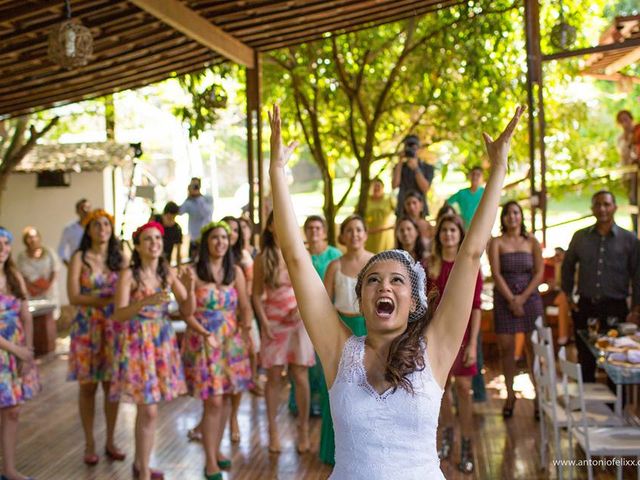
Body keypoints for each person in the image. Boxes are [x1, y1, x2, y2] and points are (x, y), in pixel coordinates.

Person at [267, 104, 524, 478]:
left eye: (396, 280)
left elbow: (470, 255)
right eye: (373, 279)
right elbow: (295, 257)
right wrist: (276, 171)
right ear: (361, 299)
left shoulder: (435, 349)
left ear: (415, 301)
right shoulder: (338, 350)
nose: (383, 285)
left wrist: (498, 168)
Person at [110, 221, 192, 480]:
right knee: (148, 409)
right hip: (138, 342)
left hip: (161, 342)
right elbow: (119, 314)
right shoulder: (129, 275)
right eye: (148, 239)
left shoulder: (167, 273)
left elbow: (188, 311)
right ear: (138, 245)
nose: (154, 243)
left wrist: (188, 287)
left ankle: (140, 463)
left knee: (150, 408)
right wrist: (145, 301)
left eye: (158, 238)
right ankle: (144, 470)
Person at [181, 221, 252, 480]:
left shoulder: (235, 271)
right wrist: (188, 287)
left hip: (230, 341)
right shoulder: (192, 272)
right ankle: (210, 460)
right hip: (203, 340)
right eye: (215, 238)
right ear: (206, 242)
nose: (220, 242)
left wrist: (245, 332)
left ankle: (217, 448)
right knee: (213, 399)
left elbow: (245, 306)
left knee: (224, 399)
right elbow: (184, 310)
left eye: (224, 237)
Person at [252, 213, 315, 454]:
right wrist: (264, 323)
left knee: (300, 376)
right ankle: (273, 431)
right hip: (273, 320)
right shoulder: (262, 258)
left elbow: (311, 288)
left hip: (298, 321)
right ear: (269, 227)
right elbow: (256, 294)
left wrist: (300, 310)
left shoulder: (300, 253)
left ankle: (303, 429)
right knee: (274, 377)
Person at [561, 190, 640, 383]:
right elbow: (567, 267)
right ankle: (587, 404)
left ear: (614, 207)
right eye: (598, 204)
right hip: (585, 306)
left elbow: (638, 276)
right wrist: (569, 297)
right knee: (585, 357)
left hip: (615, 307)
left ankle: (616, 410)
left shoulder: (629, 239)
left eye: (606, 204)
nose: (602, 209)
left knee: (615, 360)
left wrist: (636, 308)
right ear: (592, 209)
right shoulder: (580, 237)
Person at [67, 209, 126, 466]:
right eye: (96, 225)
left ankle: (111, 439)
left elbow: (130, 288)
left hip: (114, 327)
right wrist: (107, 300)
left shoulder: (121, 257)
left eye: (106, 224)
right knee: (88, 386)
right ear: (88, 230)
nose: (102, 228)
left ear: (111, 229)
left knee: (111, 386)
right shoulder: (80, 257)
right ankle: (89, 441)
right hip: (87, 327)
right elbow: (74, 297)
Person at [428, 214, 481, 473]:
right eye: (444, 230)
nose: (448, 234)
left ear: (460, 234)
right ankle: (448, 436)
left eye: (453, 230)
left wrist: (473, 344)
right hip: (438, 336)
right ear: (439, 235)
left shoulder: (469, 265)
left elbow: (477, 307)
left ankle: (468, 444)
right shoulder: (431, 265)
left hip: (464, 335)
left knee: (463, 390)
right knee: (441, 391)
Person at [320, 215, 374, 465]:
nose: (354, 234)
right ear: (342, 236)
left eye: (359, 230)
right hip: (340, 329)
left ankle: (364, 450)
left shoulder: (376, 262)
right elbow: (322, 305)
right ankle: (332, 451)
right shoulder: (334, 265)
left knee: (367, 389)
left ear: (365, 233)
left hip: (369, 328)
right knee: (337, 388)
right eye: (349, 230)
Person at [488, 200, 543, 419]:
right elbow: (496, 273)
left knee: (534, 351)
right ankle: (510, 396)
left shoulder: (532, 242)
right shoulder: (497, 242)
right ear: (503, 218)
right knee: (506, 351)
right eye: (508, 213)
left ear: (521, 217)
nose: (512, 217)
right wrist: (512, 299)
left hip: (530, 299)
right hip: (504, 299)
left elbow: (538, 273)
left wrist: (522, 299)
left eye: (516, 213)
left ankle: (539, 398)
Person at [0, 226, 39, 480]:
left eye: (5, 244)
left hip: (16, 352)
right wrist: (15, 349)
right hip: (6, 348)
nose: (1, 249)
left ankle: (9, 469)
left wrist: (29, 352)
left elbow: (26, 315)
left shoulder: (14, 275)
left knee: (13, 410)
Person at [221, 216, 256, 443]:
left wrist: (246, 325)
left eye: (235, 230)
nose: (232, 234)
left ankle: (233, 416)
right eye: (227, 230)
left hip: (241, 318)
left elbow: (249, 292)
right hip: (218, 324)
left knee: (238, 374)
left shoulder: (242, 258)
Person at [303, 215, 342, 417]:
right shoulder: (301, 255)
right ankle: (304, 404)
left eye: (318, 227)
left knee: (323, 361)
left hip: (328, 314)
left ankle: (326, 404)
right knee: (304, 364)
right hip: (301, 315)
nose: (314, 231)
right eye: (310, 228)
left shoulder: (335, 255)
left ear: (325, 232)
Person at [392, 134, 434, 217]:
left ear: (419, 149)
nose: (411, 150)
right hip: (402, 210)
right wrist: (400, 162)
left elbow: (425, 188)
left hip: (420, 212)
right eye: (408, 147)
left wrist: (416, 168)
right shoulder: (399, 167)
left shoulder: (427, 167)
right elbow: (394, 185)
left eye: (414, 147)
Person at [16, 227, 59, 303]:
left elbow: (55, 271)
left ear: (39, 237)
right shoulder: (21, 256)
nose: (33, 239)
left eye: (35, 236)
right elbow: (20, 275)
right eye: (29, 237)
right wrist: (31, 288)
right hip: (31, 293)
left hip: (49, 293)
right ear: (25, 240)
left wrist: (47, 288)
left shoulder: (49, 252)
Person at [616, 111, 640, 232]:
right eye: (622, 121)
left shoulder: (637, 131)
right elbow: (624, 155)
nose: (625, 123)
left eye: (626, 119)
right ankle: (636, 230)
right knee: (633, 203)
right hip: (629, 175)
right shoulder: (621, 138)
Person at [180, 178, 214, 261]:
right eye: (193, 185)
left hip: (206, 236)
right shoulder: (189, 202)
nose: (195, 187)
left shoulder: (207, 198)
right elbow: (180, 212)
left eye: (196, 185)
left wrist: (198, 197)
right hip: (194, 238)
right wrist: (188, 195)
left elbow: (207, 212)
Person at [364, 178, 396, 254]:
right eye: (374, 186)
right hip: (369, 237)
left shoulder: (389, 199)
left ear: (383, 187)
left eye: (378, 186)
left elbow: (399, 212)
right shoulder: (365, 201)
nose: (376, 188)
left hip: (385, 236)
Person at [58, 198, 91, 266]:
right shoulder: (69, 229)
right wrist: (69, 265)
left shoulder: (96, 228)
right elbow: (61, 250)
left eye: (88, 208)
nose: (85, 210)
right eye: (82, 208)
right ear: (77, 211)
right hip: (76, 266)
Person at [151, 201, 183, 266]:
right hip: (151, 257)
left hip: (165, 261)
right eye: (168, 216)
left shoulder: (176, 229)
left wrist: (179, 268)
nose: (170, 219)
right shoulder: (155, 219)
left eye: (173, 217)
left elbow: (178, 251)